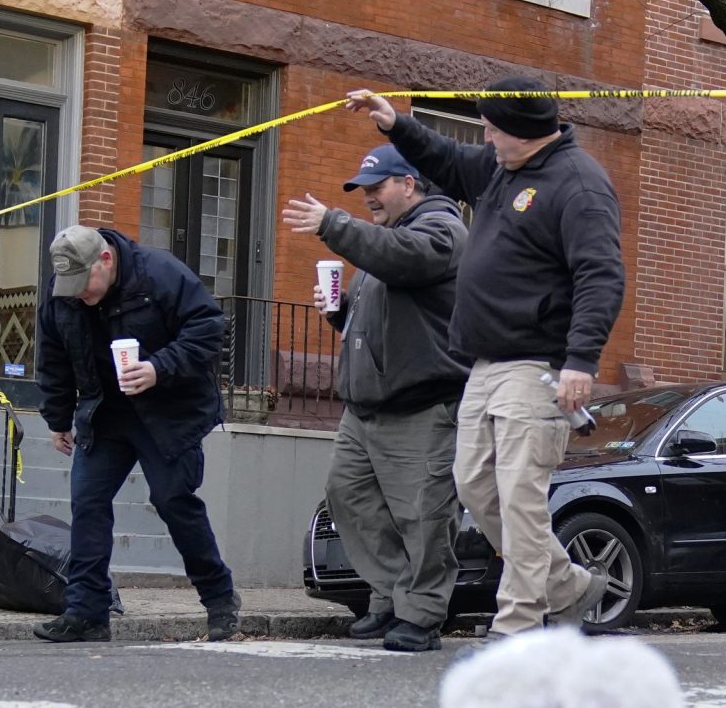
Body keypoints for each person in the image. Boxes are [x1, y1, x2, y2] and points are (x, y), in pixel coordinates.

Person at [347, 77, 625, 640]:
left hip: (538, 364)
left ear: (523, 131)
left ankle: (518, 624)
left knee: (520, 494)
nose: (486, 137)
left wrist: (581, 361)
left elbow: (601, 274)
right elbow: (447, 159)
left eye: (494, 128)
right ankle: (569, 587)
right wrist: (394, 122)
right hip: (484, 362)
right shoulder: (503, 168)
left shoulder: (579, 185)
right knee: (476, 486)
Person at [281, 147, 469, 653]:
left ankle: (422, 614)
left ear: (409, 184)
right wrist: (341, 312)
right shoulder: (389, 240)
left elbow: (403, 260)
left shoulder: (441, 230)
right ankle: (390, 597)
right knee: (349, 498)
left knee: (425, 516)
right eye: (362, 189)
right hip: (364, 411)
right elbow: (395, 318)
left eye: (376, 186)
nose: (367, 197)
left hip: (422, 408)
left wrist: (331, 224)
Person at [33, 225, 239, 643]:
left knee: (172, 501)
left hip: (169, 411)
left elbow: (208, 328)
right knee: (88, 504)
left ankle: (219, 600)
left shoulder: (159, 273)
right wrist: (57, 418)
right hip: (105, 412)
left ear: (105, 260)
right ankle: (87, 613)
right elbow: (52, 357)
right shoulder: (63, 293)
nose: (78, 295)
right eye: (69, 286)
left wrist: (158, 367)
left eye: (83, 284)